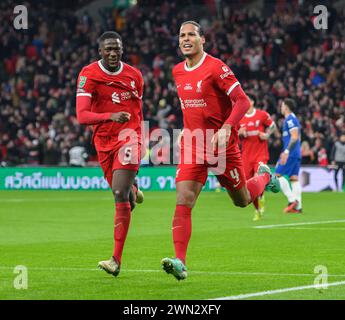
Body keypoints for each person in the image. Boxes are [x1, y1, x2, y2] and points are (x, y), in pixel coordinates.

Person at [161, 21, 280, 281]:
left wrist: (227, 127)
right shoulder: (177, 71)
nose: (186, 39)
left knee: (243, 200)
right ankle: (180, 262)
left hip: (222, 147)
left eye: (191, 34)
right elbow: (192, 108)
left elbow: (242, 101)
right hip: (194, 145)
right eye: (182, 35)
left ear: (203, 39)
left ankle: (265, 176)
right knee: (183, 200)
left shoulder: (216, 68)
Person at [76, 31, 144, 277]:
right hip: (103, 142)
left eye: (117, 49)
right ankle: (133, 190)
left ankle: (115, 260)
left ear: (122, 49)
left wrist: (140, 140)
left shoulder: (135, 76)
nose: (113, 53)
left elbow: (139, 111)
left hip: (129, 138)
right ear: (100, 52)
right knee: (128, 200)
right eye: (108, 49)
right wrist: (110, 116)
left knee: (118, 193)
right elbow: (82, 116)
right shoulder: (88, 74)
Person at [238, 94, 276, 221]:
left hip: (260, 153)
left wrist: (267, 135)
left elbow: (273, 126)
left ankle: (261, 197)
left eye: (248, 99)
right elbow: (234, 133)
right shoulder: (240, 117)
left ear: (253, 102)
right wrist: (240, 133)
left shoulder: (261, 115)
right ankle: (258, 210)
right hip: (246, 156)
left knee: (257, 178)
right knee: (248, 185)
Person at [275, 98, 302, 213]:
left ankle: (292, 201)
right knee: (294, 179)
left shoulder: (290, 119)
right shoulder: (293, 119)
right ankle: (298, 207)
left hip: (290, 153)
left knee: (277, 175)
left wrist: (286, 152)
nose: (281, 107)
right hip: (296, 153)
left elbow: (295, 136)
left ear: (286, 107)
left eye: (282, 105)